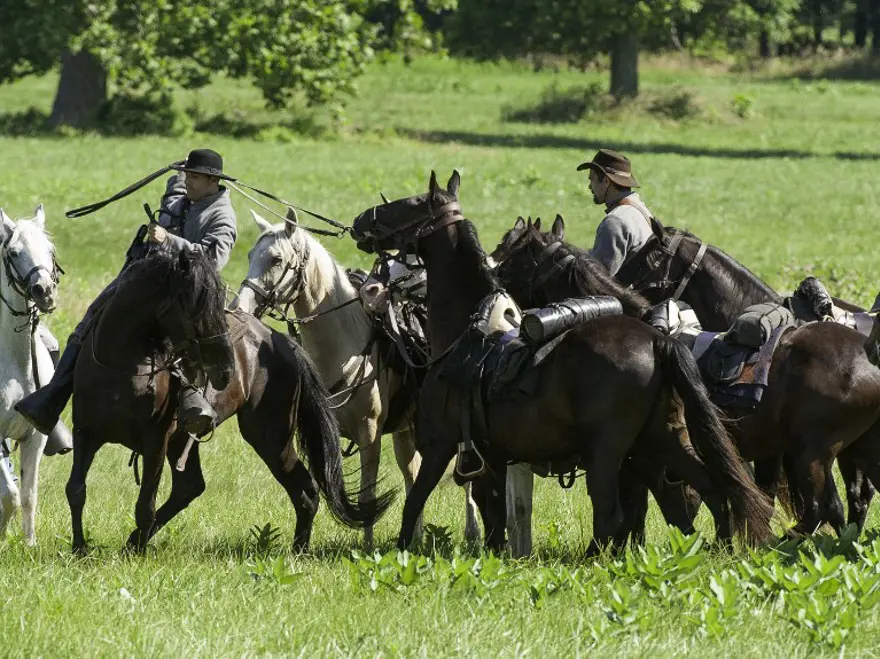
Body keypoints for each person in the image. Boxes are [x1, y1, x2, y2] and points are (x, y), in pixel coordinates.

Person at [16, 149, 238, 437]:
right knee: (92, 317)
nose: (188, 182)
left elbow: (211, 260)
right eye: (187, 176)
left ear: (212, 181)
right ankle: (54, 396)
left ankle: (190, 399)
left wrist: (169, 240)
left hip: (189, 292)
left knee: (187, 337)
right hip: (148, 278)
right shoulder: (183, 196)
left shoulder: (223, 217)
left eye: (194, 177)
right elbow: (174, 192)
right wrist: (178, 171)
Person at [577, 149, 655, 277]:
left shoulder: (616, 221)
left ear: (606, 181)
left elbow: (597, 280)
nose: (590, 187)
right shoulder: (640, 208)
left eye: (592, 179)